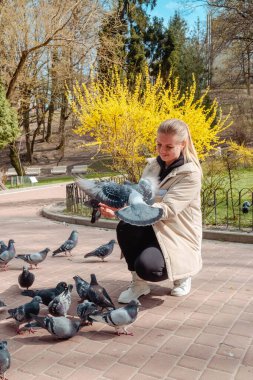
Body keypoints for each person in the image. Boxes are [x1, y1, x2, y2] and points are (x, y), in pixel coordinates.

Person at [100, 118, 202, 303]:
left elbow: (168, 209)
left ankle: (183, 274)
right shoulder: (152, 165)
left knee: (151, 269)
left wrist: (127, 210)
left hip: (176, 233)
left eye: (169, 147)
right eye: (159, 144)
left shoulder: (190, 174)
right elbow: (140, 196)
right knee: (126, 226)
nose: (162, 150)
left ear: (183, 144)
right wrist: (119, 206)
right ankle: (139, 283)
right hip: (151, 226)